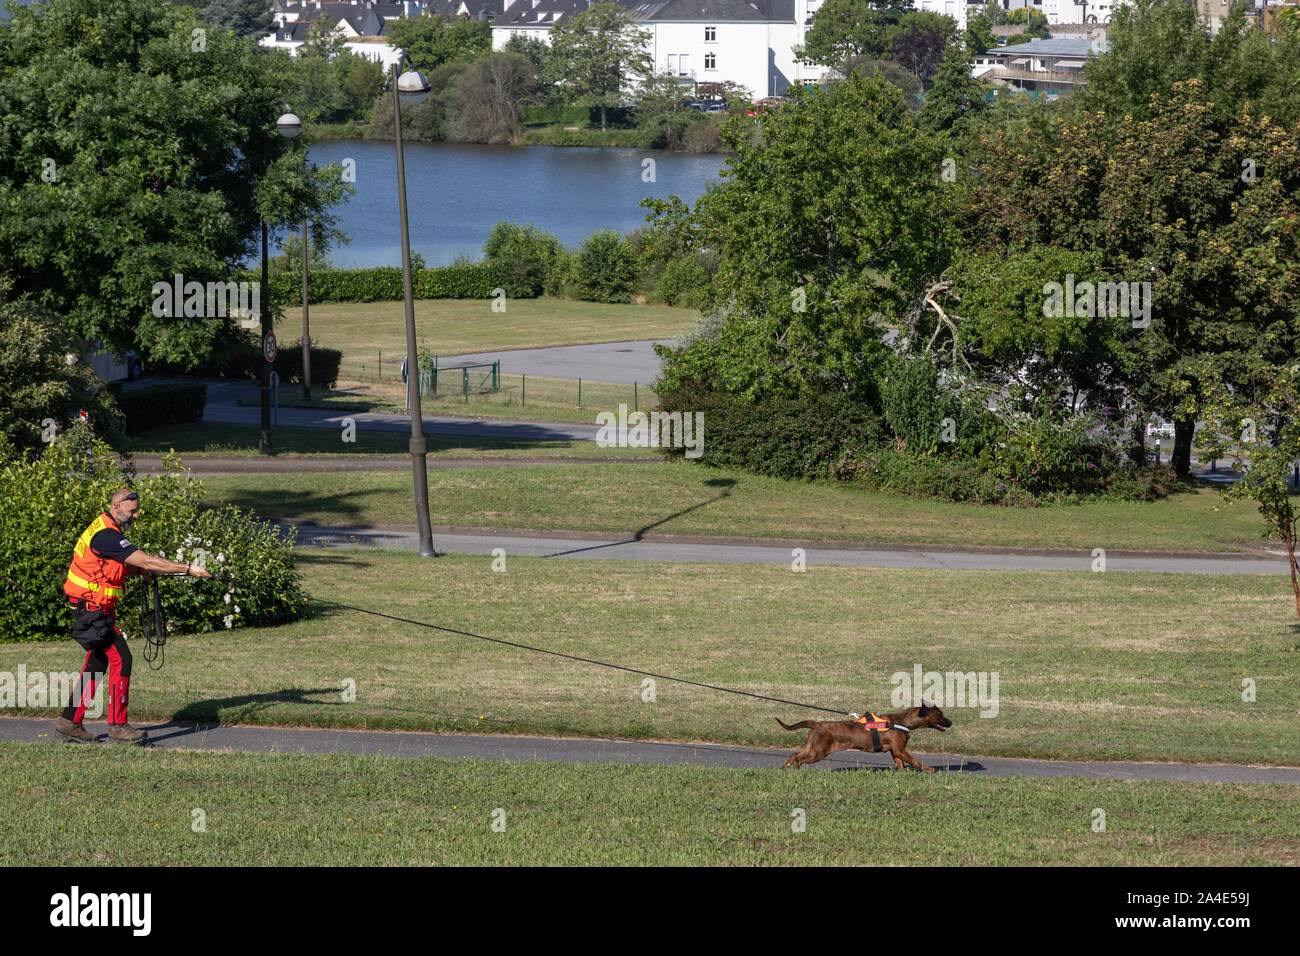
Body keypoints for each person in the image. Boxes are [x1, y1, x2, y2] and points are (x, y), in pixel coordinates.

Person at [56, 488, 211, 745]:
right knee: (121, 659)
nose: (136, 515)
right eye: (132, 510)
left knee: (97, 663)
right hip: (93, 611)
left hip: (92, 609)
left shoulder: (105, 528)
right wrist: (187, 568)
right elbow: (147, 560)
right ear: (117, 506)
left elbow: (107, 566)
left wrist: (137, 573)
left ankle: (69, 722)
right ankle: (118, 727)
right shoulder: (106, 535)